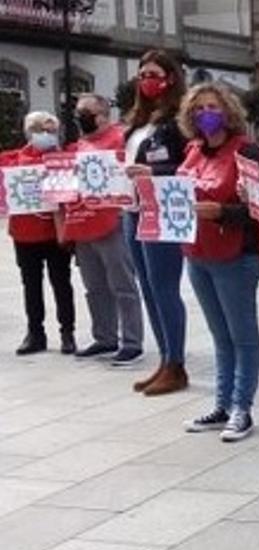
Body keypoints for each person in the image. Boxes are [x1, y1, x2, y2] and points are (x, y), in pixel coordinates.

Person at [175, 82, 259, 443]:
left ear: (227, 111)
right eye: (198, 108)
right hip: (198, 254)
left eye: (212, 107)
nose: (205, 114)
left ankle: (242, 407)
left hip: (235, 256)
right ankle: (223, 405)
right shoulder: (193, 151)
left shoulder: (247, 152)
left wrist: (222, 212)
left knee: (243, 336)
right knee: (220, 336)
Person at [124, 50, 190, 394]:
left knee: (164, 287)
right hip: (134, 209)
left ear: (170, 78)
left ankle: (176, 363)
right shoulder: (138, 122)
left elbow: (190, 165)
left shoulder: (179, 121)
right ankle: (165, 358)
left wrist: (154, 171)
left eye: (154, 75)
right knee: (148, 287)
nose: (147, 81)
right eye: (142, 75)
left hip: (162, 209)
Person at [64, 94, 143, 364]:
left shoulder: (120, 139)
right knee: (94, 286)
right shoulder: (80, 144)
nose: (80, 117)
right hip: (84, 222)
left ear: (103, 115)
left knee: (123, 285)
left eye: (86, 113)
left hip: (113, 222)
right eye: (78, 112)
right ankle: (105, 337)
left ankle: (132, 341)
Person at [6, 111, 75, 356]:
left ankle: (67, 332)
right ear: (29, 132)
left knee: (61, 283)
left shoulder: (62, 159)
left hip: (55, 232)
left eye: (52, 130)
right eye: (41, 130)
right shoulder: (13, 160)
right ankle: (35, 333)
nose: (47, 135)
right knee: (31, 285)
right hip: (24, 233)